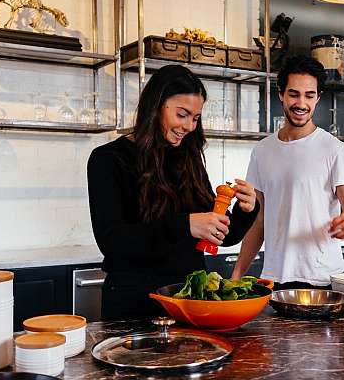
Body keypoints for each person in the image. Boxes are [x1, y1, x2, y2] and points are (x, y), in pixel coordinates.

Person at [87, 65, 259, 320]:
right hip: (133, 302)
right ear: (156, 105)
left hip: (189, 301)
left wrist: (246, 210)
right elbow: (112, 241)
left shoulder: (189, 158)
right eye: (182, 114)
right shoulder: (108, 159)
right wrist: (186, 225)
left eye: (196, 118)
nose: (189, 126)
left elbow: (219, 236)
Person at [231, 55, 344, 289]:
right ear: (281, 95)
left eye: (309, 95)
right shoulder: (262, 151)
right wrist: (237, 274)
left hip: (322, 280)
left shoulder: (336, 150)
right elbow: (258, 220)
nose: (301, 103)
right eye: (294, 94)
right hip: (274, 280)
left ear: (318, 98)